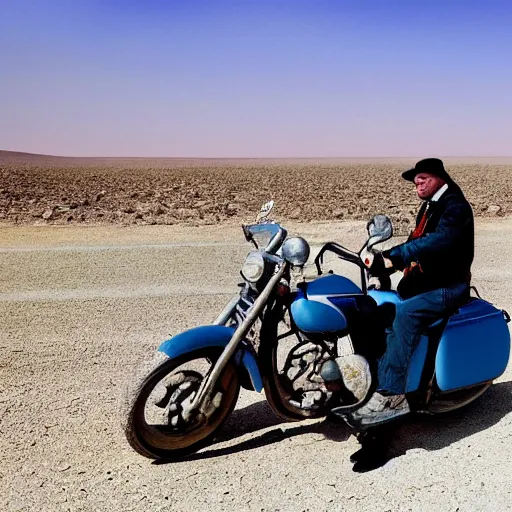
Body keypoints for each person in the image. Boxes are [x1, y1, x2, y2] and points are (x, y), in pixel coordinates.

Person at [348, 158, 474, 427]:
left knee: (405, 314)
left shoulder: (455, 207)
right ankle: (369, 375)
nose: (417, 183)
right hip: (426, 283)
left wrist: (395, 256)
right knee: (373, 308)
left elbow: (438, 241)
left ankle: (391, 397)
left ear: (440, 178)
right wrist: (386, 265)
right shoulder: (430, 206)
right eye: (415, 180)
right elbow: (416, 242)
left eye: (423, 178)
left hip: (448, 287)